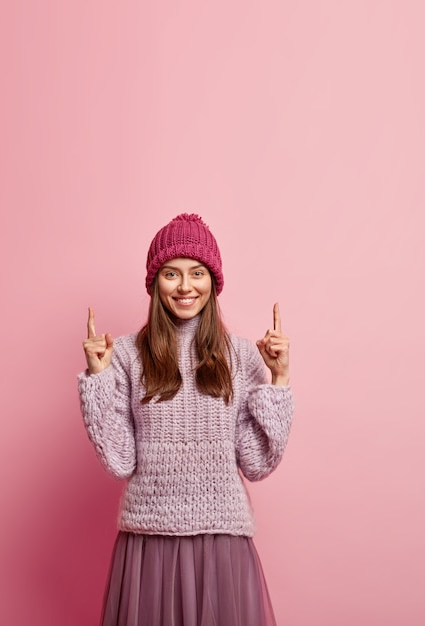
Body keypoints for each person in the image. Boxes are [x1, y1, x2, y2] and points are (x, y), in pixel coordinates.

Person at [78, 213, 294, 626]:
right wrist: (99, 377)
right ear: (154, 282)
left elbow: (257, 462)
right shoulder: (124, 354)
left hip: (221, 543)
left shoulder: (243, 355)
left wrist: (279, 379)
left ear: (213, 282)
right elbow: (119, 461)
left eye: (197, 273)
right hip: (148, 545)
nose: (184, 286)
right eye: (171, 273)